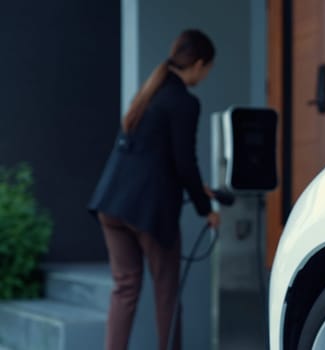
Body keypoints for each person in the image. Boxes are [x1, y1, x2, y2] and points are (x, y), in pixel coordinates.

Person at [87, 29, 219, 350]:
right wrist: (206, 210)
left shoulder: (149, 94)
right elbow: (184, 161)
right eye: (208, 69)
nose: (206, 75)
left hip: (112, 201)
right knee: (167, 293)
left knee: (125, 288)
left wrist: (196, 188)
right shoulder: (184, 102)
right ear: (199, 64)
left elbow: (155, 156)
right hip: (148, 210)